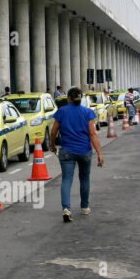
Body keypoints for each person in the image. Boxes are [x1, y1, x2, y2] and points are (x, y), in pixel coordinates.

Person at [49, 87, 104, 222]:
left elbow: (53, 131)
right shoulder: (88, 112)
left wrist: (52, 145)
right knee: (84, 178)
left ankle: (66, 209)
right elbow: (92, 134)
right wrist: (99, 153)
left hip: (67, 151)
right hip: (84, 151)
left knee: (67, 179)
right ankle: (84, 207)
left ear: (68, 98)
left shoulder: (61, 112)